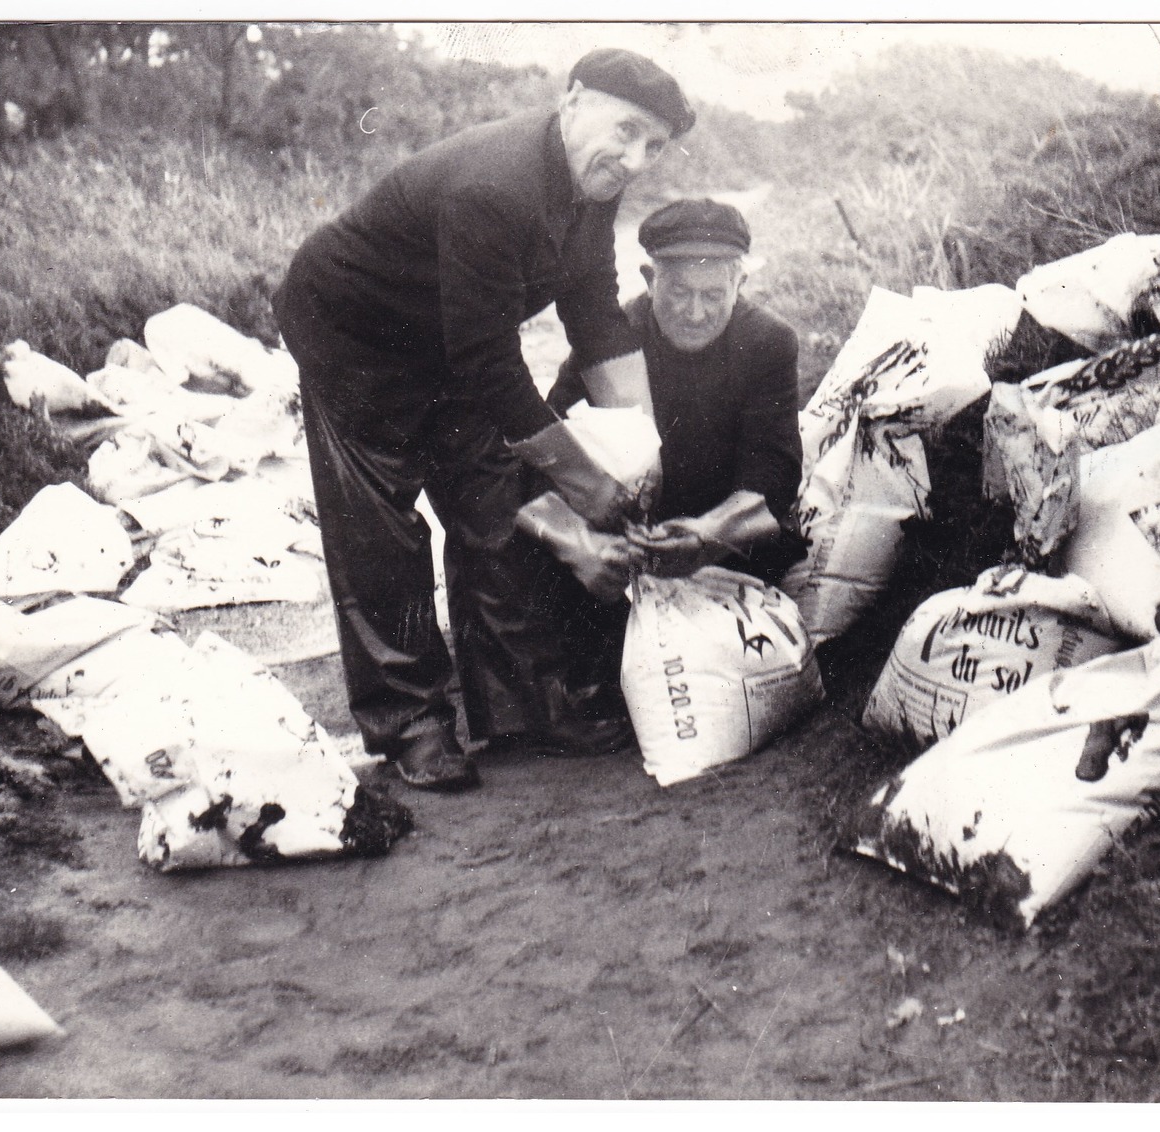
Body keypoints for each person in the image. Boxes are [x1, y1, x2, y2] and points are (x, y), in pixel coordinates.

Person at [272, 50, 695, 792]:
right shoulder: (494, 186)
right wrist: (587, 483)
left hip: (448, 337)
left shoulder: (590, 185)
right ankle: (411, 724)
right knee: (383, 529)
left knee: (495, 501)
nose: (634, 158)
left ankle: (521, 706)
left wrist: (643, 450)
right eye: (625, 130)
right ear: (572, 100)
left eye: (654, 146)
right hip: (353, 333)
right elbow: (490, 365)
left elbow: (593, 310)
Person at [519, 197, 806, 709]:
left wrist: (707, 534)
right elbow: (545, 455)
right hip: (623, 540)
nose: (695, 313)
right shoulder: (610, 338)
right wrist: (581, 544)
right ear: (650, 278)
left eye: (714, 295)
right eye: (678, 292)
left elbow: (775, 474)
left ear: (742, 283)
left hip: (717, 535)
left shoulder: (769, 341)